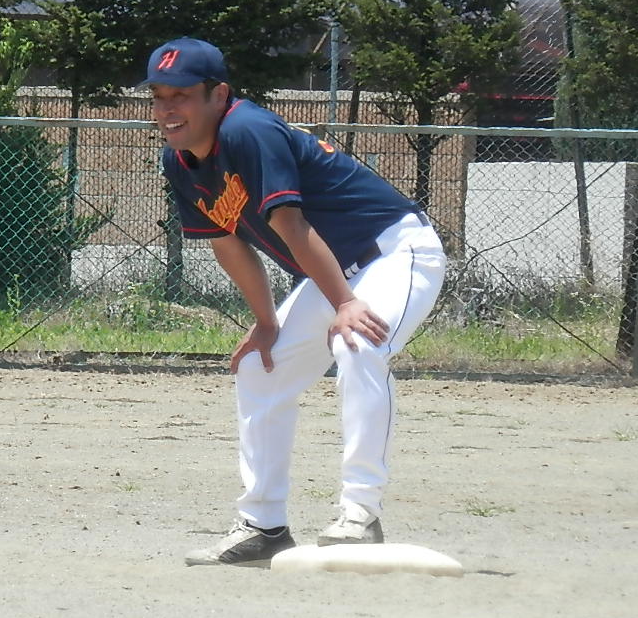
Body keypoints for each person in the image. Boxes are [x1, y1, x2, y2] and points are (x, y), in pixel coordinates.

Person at [141, 37, 447, 567]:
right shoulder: (181, 159)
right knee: (261, 368)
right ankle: (264, 525)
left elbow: (291, 224)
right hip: (334, 272)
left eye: (182, 95)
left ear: (219, 95)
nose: (168, 109)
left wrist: (346, 303)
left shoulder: (247, 130)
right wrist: (265, 322)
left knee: (357, 344)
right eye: (159, 96)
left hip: (395, 251)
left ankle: (361, 514)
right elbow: (226, 241)